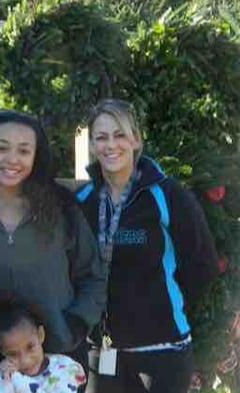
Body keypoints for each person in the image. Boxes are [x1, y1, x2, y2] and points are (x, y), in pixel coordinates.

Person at [75, 98, 219, 392]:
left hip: (161, 351)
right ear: (92, 145)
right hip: (101, 352)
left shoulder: (167, 195)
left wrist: (160, 307)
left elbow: (202, 264)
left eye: (119, 135)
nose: (110, 145)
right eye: (101, 137)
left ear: (136, 139)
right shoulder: (83, 201)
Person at [0, 110, 106, 383]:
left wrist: (73, 326)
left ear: (36, 156)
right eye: (2, 148)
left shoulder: (62, 210)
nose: (12, 159)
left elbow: (93, 277)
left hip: (59, 362)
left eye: (24, 150)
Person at [0, 296, 86, 393]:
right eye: (13, 354)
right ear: (2, 351)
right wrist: (6, 382)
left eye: (30, 347)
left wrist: (18, 380)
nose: (25, 360)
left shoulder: (65, 368)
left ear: (40, 335)